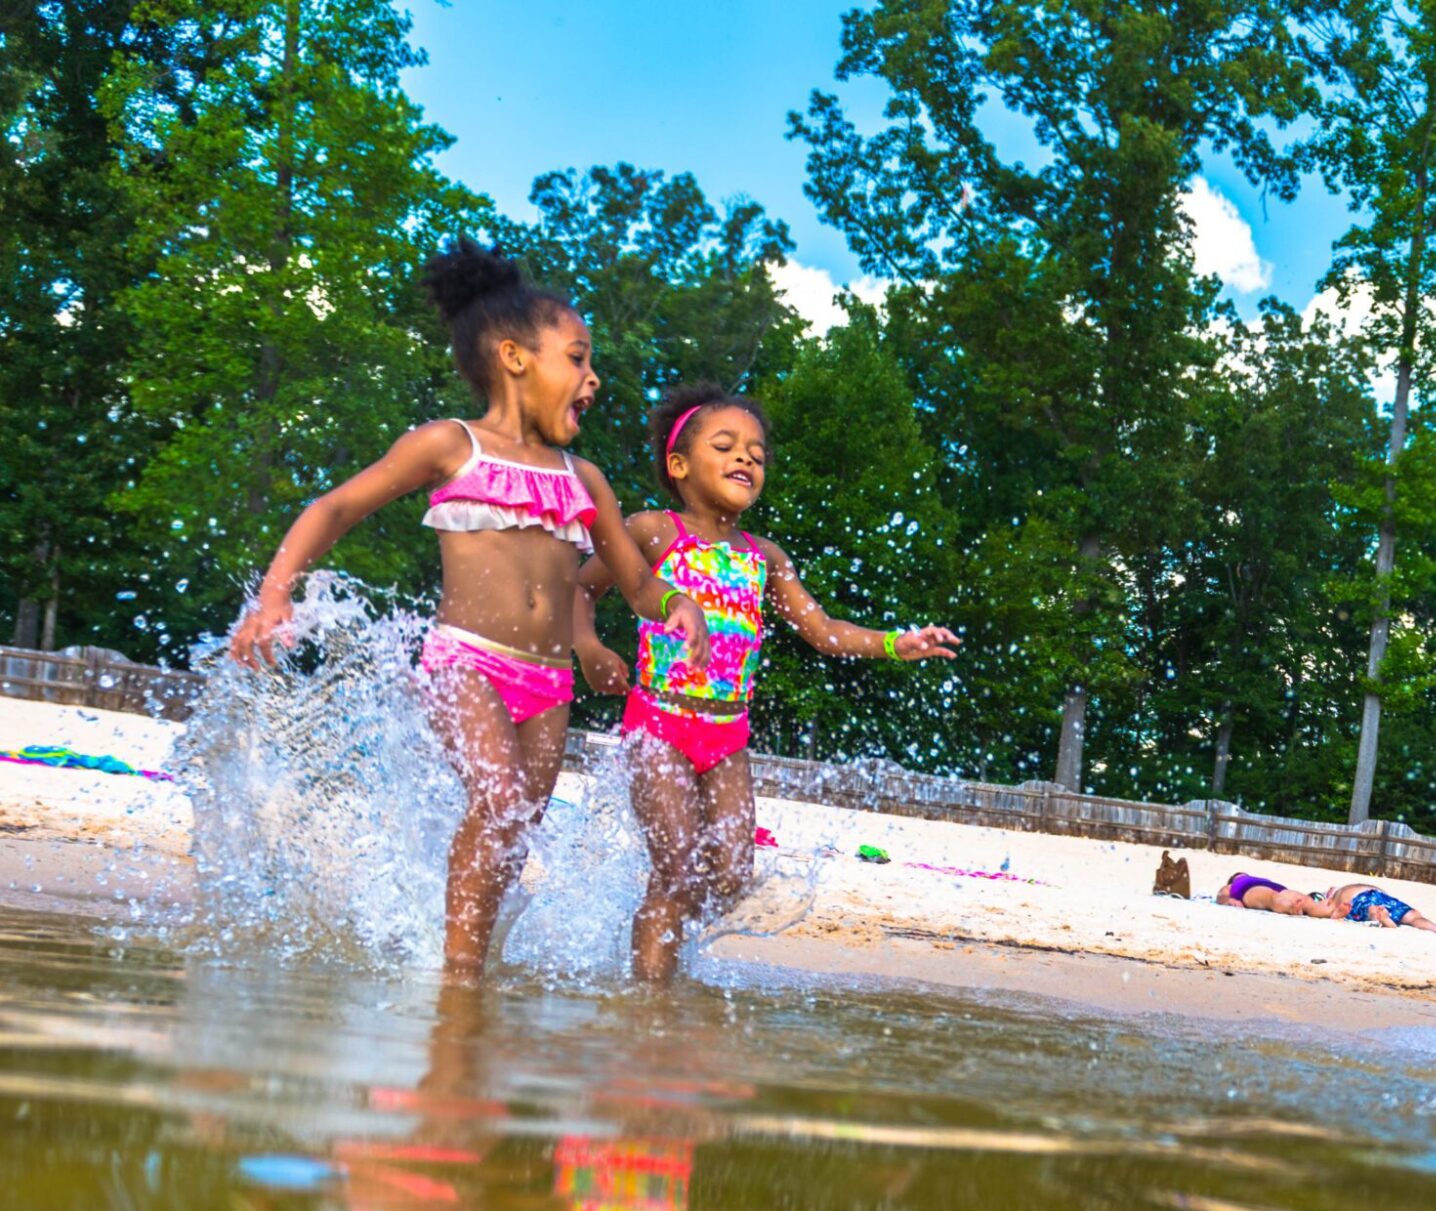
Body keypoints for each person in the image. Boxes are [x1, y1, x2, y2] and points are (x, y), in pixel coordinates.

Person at [229, 239, 709, 979]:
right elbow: (335, 506)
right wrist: (274, 593)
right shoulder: (452, 446)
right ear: (516, 357)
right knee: (499, 798)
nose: (593, 377)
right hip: (465, 663)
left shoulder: (586, 479)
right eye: (577, 357)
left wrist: (678, 606)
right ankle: (456, 983)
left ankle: (470, 968)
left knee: (515, 832)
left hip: (549, 687)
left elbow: (638, 582)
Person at [576, 384, 960, 981]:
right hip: (658, 725)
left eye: (756, 453)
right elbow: (582, 587)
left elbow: (823, 629)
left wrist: (895, 643)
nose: (746, 459)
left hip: (727, 737)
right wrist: (590, 646)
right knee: (676, 870)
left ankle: (657, 954)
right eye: (726, 446)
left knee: (729, 876)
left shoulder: (766, 557)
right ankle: (645, 1010)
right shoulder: (655, 531)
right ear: (678, 466)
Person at [1321, 881, 1436, 937]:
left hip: (1376, 897)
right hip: (1372, 898)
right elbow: (1332, 912)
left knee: (1412, 915)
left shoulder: (1343, 891)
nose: (1329, 889)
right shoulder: (1335, 898)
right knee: (1411, 916)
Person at [1218, 872, 1340, 916]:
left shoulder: (1245, 880)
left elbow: (1221, 895)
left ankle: (1328, 911)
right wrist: (1229, 900)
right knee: (1272, 898)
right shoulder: (1236, 883)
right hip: (1255, 890)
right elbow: (1222, 895)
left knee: (1305, 900)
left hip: (1271, 889)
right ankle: (1291, 908)